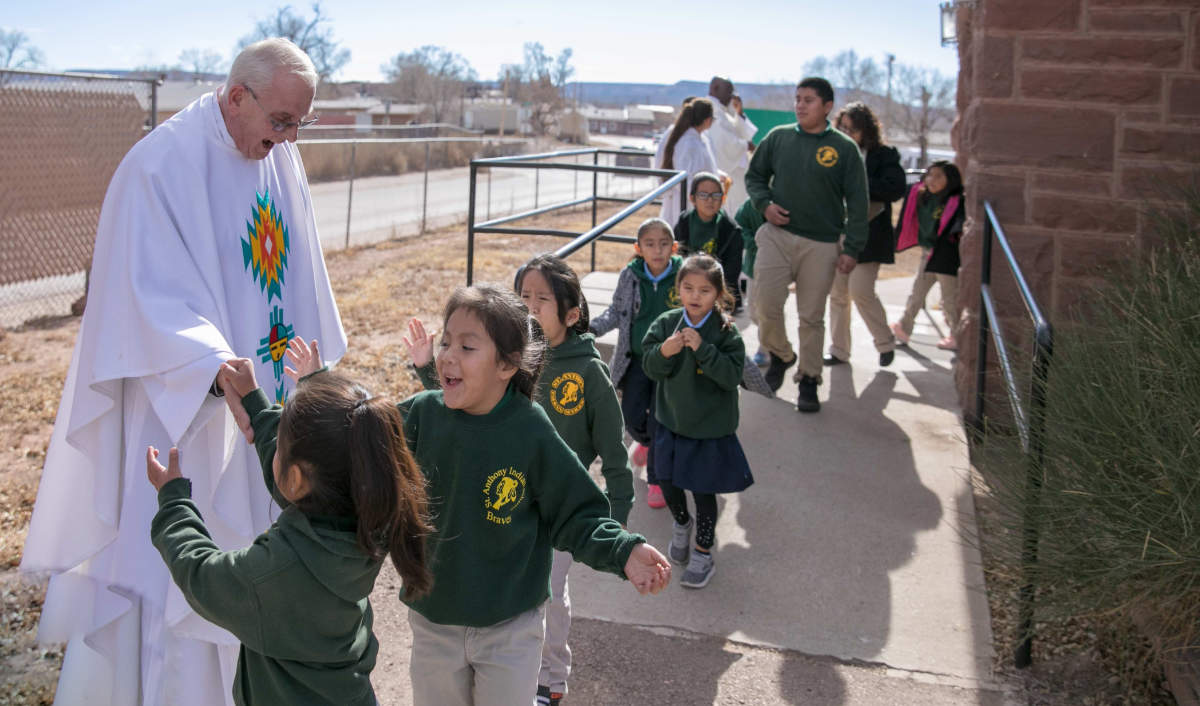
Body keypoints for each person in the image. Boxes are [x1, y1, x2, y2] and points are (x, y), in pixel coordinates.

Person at [20, 38, 346, 706]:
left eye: (298, 126)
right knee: (182, 589)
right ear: (235, 96)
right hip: (183, 410)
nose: (287, 140)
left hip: (265, 412)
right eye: (280, 122)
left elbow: (299, 274)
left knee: (255, 565)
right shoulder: (159, 166)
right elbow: (139, 295)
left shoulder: (279, 160)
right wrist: (209, 365)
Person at [385, 284, 670, 705]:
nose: (446, 355)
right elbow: (360, 448)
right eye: (445, 341)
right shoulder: (422, 414)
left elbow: (575, 512)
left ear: (507, 365)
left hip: (510, 627)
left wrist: (622, 550)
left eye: (466, 346)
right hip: (434, 619)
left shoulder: (530, 429)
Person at [148, 359, 431, 705]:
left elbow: (201, 574)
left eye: (281, 446)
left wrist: (174, 501)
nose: (275, 450)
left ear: (297, 479)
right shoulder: (370, 517)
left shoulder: (271, 574)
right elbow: (290, 481)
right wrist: (254, 401)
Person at [516, 255, 634, 706]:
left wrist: (617, 526)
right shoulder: (513, 357)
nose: (528, 307)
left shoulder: (588, 371)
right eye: (523, 296)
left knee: (548, 593)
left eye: (541, 299)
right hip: (507, 498)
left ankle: (550, 678)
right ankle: (510, 664)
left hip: (560, 509)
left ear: (571, 314)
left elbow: (615, 454)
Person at [744, 76, 869, 413]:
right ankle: (782, 355)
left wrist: (852, 248)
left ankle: (810, 379)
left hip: (822, 244)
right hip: (776, 238)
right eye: (798, 99)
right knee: (765, 306)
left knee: (810, 317)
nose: (800, 105)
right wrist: (764, 204)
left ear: (827, 107)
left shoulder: (844, 149)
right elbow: (754, 177)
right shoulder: (778, 138)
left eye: (809, 100)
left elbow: (858, 202)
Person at [641, 254, 754, 589]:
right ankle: (681, 523)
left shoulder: (725, 332)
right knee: (669, 483)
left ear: (718, 294)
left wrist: (704, 349)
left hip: (708, 430)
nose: (695, 296)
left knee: (704, 494)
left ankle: (704, 552)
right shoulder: (666, 324)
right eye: (688, 287)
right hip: (671, 424)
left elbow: (731, 375)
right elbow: (649, 366)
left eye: (705, 290)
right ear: (678, 289)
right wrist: (666, 351)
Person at [590, 218, 684, 511]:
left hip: (670, 364)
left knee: (660, 422)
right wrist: (590, 328)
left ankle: (656, 478)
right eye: (650, 244)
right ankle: (644, 443)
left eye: (664, 244)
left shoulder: (683, 274)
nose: (657, 250)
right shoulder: (630, 275)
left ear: (674, 246)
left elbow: (699, 306)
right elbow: (616, 311)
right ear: (638, 248)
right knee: (631, 418)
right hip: (636, 362)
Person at [824, 102, 907, 368]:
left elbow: (894, 188)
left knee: (861, 291)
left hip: (869, 235)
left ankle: (884, 342)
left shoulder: (883, 155)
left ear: (866, 130)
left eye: (853, 129)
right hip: (836, 232)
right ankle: (838, 350)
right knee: (837, 295)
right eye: (843, 127)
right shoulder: (831, 152)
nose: (847, 133)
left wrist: (857, 183)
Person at [891, 160, 965, 350]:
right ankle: (904, 327)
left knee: (949, 298)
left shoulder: (955, 200)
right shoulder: (921, 195)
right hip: (928, 253)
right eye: (930, 174)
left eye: (939, 176)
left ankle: (956, 336)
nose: (932, 180)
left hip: (945, 256)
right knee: (917, 293)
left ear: (951, 179)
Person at [672, 171, 744, 310]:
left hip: (718, 296)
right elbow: (675, 258)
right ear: (692, 198)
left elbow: (731, 272)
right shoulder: (684, 223)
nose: (710, 200)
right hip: (686, 292)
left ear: (723, 198)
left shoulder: (732, 230)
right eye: (703, 195)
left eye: (716, 195)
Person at [658, 97, 722, 225]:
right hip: (691, 203)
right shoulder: (689, 143)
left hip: (699, 200)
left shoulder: (697, 139)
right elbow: (687, 178)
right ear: (707, 120)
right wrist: (701, 198)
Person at [704, 77, 758, 216]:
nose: (732, 95)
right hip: (728, 171)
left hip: (736, 173)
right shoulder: (711, 110)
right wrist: (746, 145)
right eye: (729, 91)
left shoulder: (724, 111)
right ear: (715, 88)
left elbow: (744, 133)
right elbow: (724, 143)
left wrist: (739, 112)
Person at [734, 198, 769, 367]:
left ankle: (765, 349)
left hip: (776, 265)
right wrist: (753, 241)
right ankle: (773, 340)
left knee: (768, 309)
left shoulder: (786, 201)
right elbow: (740, 226)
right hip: (753, 265)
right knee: (753, 310)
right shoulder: (750, 205)